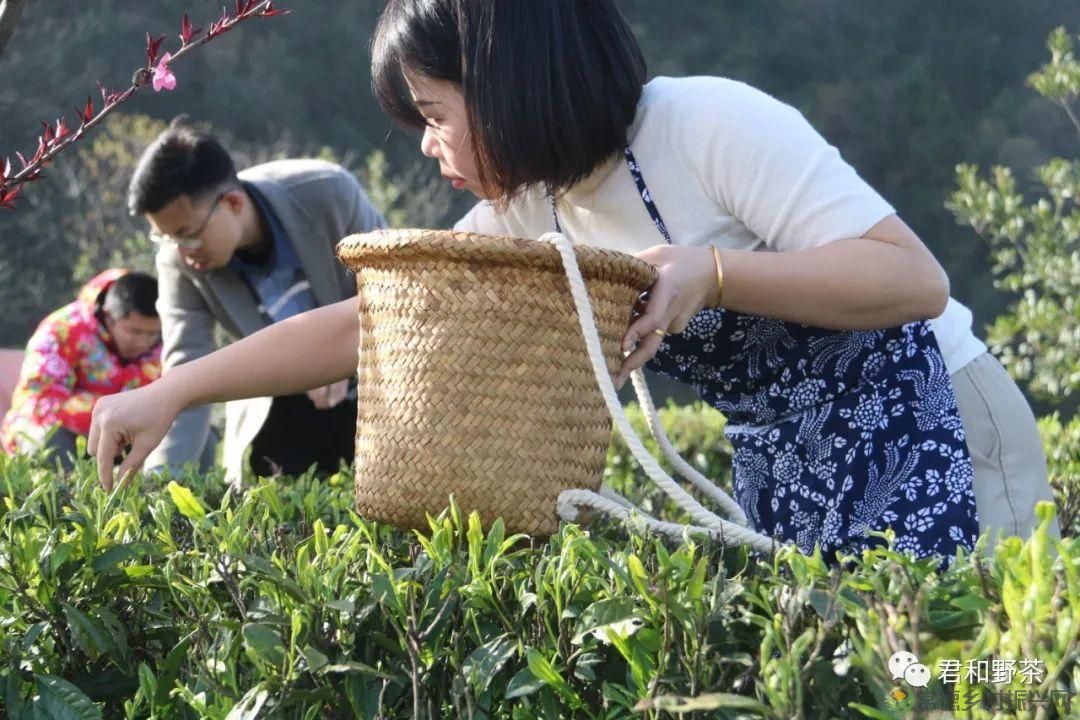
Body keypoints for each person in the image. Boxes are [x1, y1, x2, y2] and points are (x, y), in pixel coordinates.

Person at [91, 0, 1050, 559]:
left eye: (433, 112)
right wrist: (174, 389)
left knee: (962, 680)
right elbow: (369, 326)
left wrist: (714, 273)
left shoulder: (706, 125)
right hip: (791, 464)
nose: (429, 147)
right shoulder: (530, 206)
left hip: (942, 427)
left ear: (509, 81)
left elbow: (911, 281)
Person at [126, 119, 386, 481]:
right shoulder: (179, 264)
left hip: (376, 389)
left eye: (187, 234)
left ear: (232, 202)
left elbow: (395, 292)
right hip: (279, 413)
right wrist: (164, 484)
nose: (183, 253)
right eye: (166, 238)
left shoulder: (326, 193)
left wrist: (346, 355)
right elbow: (185, 369)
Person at [2, 270, 161, 469]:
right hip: (64, 432)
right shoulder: (61, 330)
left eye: (152, 333)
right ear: (108, 315)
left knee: (201, 436)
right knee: (49, 440)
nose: (143, 342)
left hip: (129, 435)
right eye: (134, 332)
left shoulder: (164, 343)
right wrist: (113, 415)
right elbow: (41, 402)